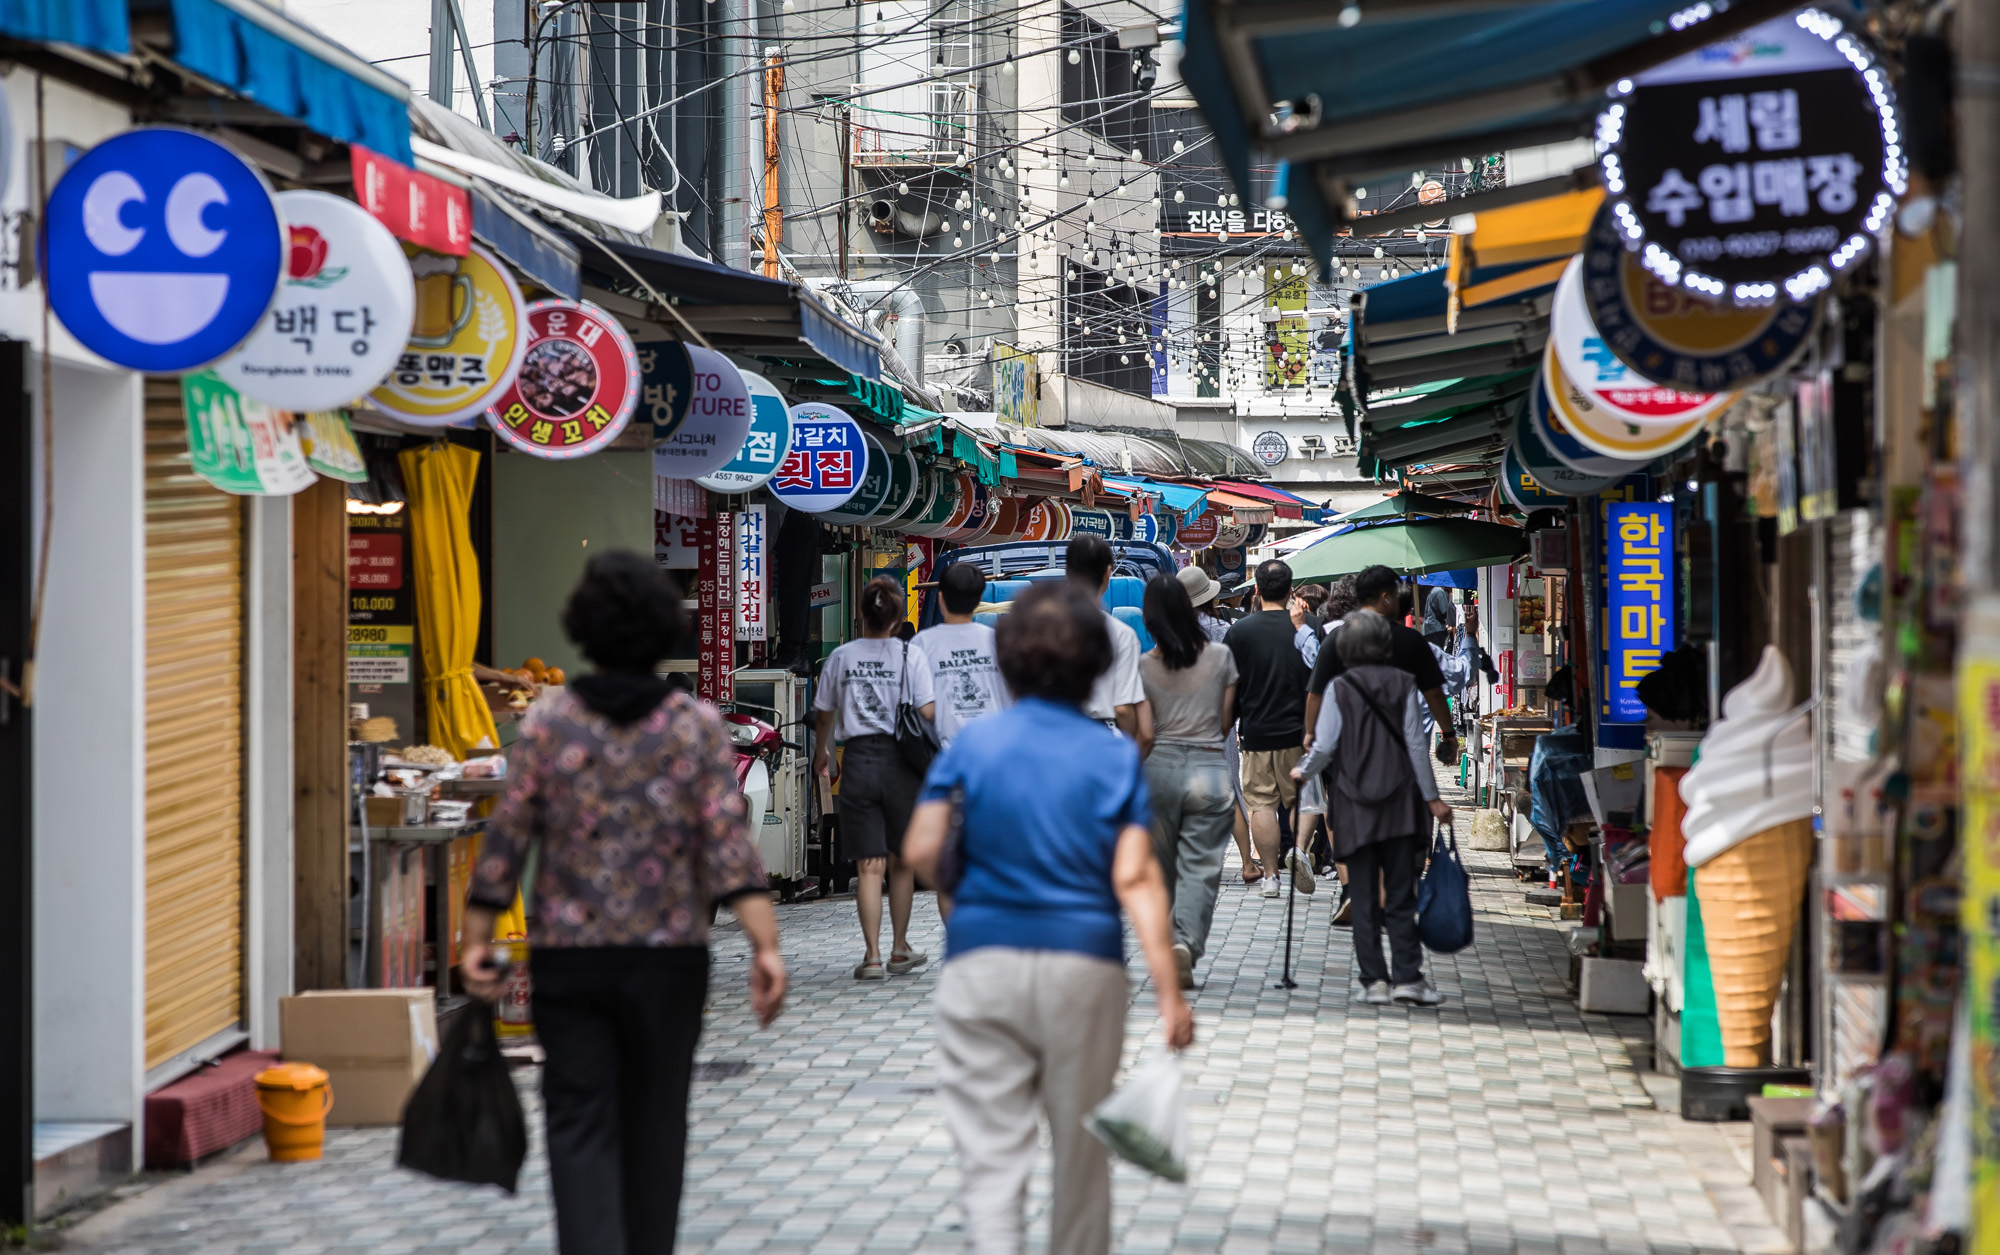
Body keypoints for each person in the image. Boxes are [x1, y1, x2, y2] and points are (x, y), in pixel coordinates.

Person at [460, 551, 787, 1255]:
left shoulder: (549, 724)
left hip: (570, 963)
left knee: (578, 1121)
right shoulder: (694, 726)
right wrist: (765, 947)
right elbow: (729, 848)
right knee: (657, 1120)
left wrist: (476, 937)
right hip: (668, 962)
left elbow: (506, 839)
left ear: (585, 628)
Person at [904, 580, 1194, 1255]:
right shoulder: (1113, 755)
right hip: (1084, 966)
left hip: (980, 962)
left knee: (990, 1157)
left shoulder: (973, 745)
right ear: (1095, 665)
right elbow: (1135, 876)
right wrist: (1168, 992)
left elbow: (919, 848)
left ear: (1008, 662)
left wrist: (971, 887)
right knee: (1080, 1148)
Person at [1291, 608, 1453, 1008]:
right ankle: (1408, 978)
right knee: (1401, 893)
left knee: (1363, 893)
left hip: (1354, 802)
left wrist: (1303, 771)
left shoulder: (1339, 688)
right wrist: (1432, 798)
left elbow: (1325, 745)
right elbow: (1416, 745)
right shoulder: (1404, 683)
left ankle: (1374, 980)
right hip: (1401, 804)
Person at [812, 576, 937, 979]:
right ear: (898, 618)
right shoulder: (910, 656)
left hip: (859, 761)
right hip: (901, 764)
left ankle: (871, 958)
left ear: (862, 614)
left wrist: (821, 753)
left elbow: (824, 712)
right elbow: (928, 712)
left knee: (869, 865)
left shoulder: (841, 657)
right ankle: (899, 949)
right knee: (901, 863)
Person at [1138, 572, 1239, 988]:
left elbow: (1144, 732)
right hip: (1209, 769)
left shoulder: (1144, 666)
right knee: (1200, 868)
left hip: (1158, 771)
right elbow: (1225, 722)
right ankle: (1186, 943)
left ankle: (1167, 942)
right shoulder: (1221, 657)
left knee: (1161, 870)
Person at [1305, 565, 1457, 770]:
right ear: (1386, 598)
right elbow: (1434, 694)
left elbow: (1316, 693)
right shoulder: (1412, 640)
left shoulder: (1336, 638)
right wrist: (1448, 734)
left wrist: (1310, 733)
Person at [1223, 559, 1313, 899]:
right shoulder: (1309, 627)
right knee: (1301, 801)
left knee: (1261, 804)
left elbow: (1230, 685)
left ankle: (1271, 877)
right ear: (1291, 590)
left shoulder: (1239, 632)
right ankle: (1299, 851)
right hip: (1301, 734)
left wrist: (1228, 722)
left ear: (1257, 589)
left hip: (1256, 732)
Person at [1182, 564, 1261, 885]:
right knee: (1228, 789)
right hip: (1219, 719)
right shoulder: (1222, 629)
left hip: (1180, 720)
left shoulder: (1171, 632)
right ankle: (1247, 862)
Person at [1067, 535, 1153, 754]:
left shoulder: (1040, 628)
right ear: (1108, 573)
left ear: (1067, 572)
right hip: (1101, 741)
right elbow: (1123, 709)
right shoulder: (1121, 634)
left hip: (1052, 737)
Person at [913, 563, 1010, 746]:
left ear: (941, 597)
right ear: (980, 599)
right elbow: (1011, 701)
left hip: (943, 753)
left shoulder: (921, 644)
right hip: (992, 750)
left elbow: (923, 709)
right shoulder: (998, 641)